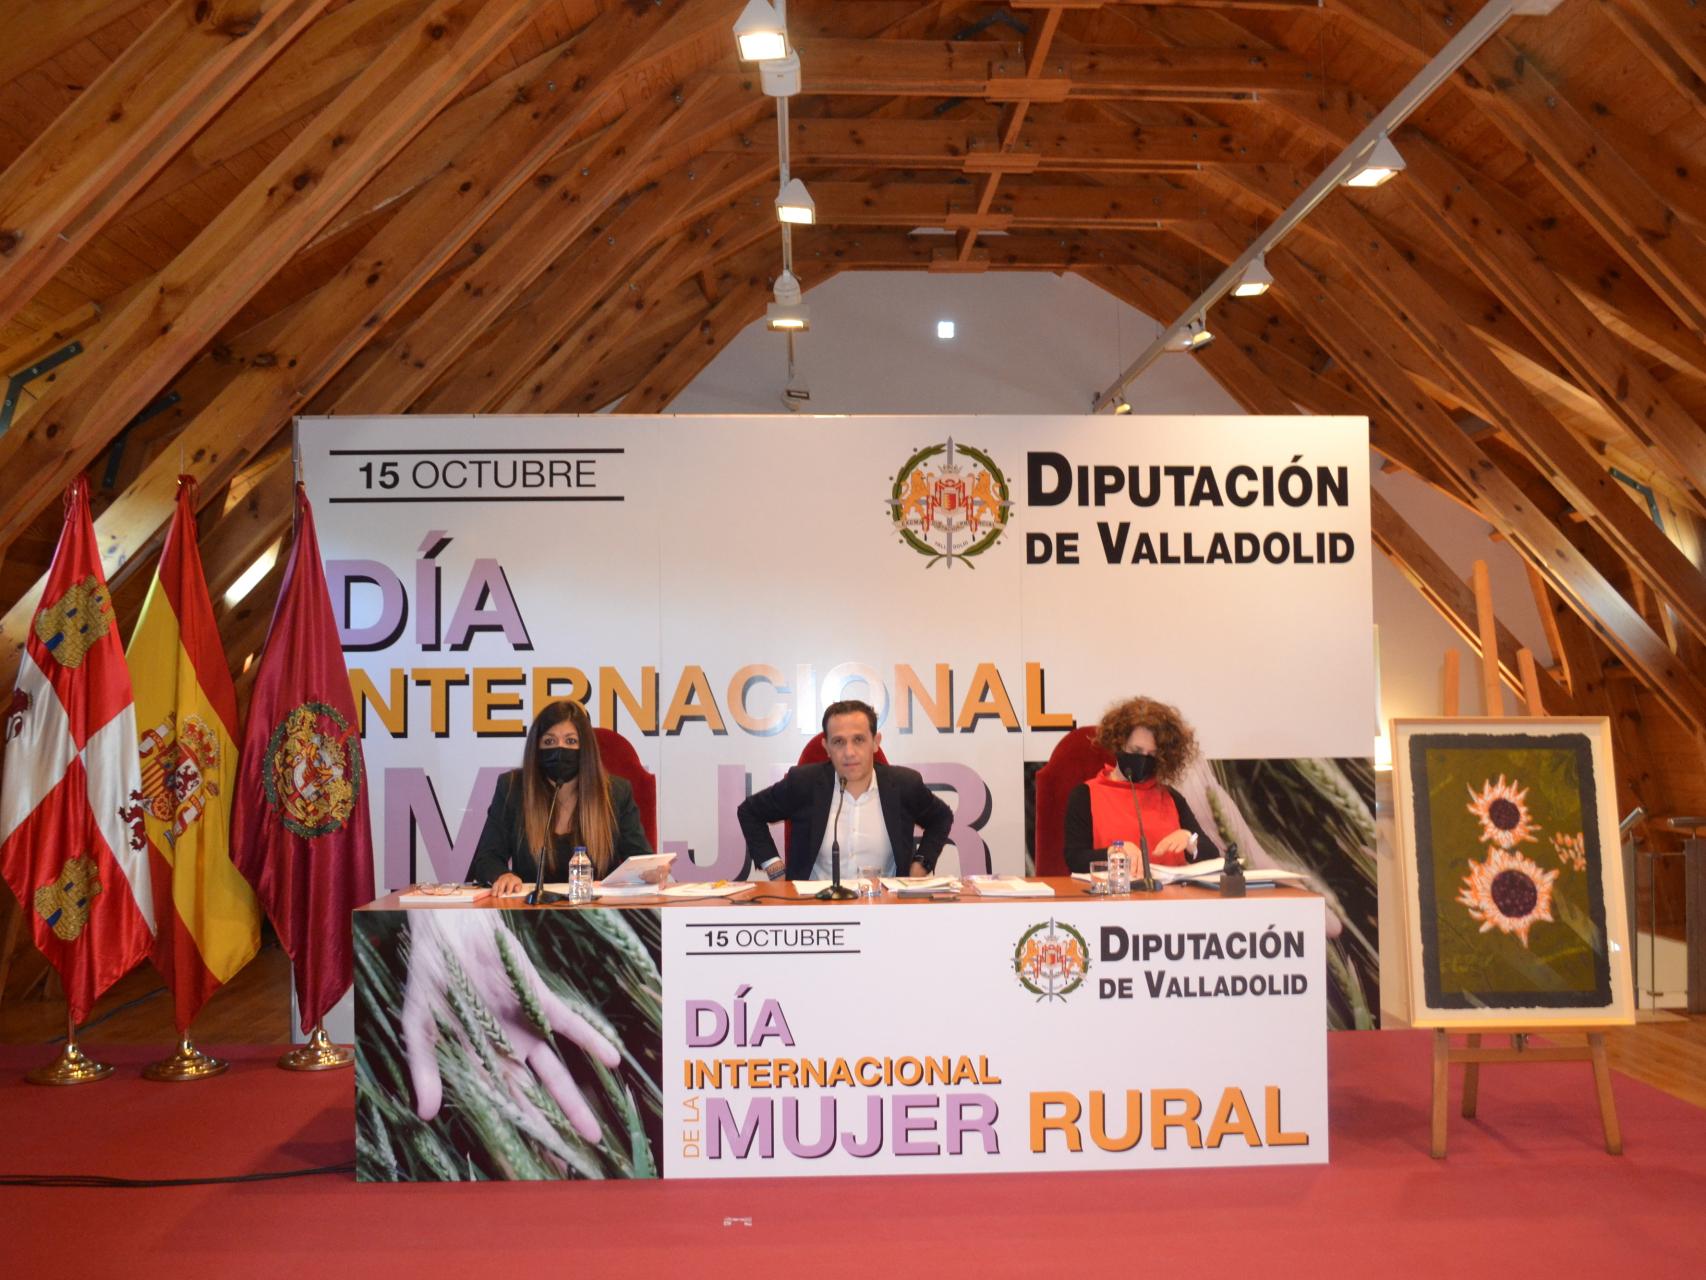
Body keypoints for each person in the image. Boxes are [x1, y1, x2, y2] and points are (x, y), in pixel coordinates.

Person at [738, 699, 954, 881]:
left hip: (884, 911)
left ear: (875, 742)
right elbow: (750, 811)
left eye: (859, 740)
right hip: (815, 912)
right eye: (839, 742)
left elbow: (941, 817)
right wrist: (775, 868)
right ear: (826, 748)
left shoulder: (904, 785)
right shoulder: (804, 783)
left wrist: (921, 864)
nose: (849, 752)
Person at [466, 700, 655, 897]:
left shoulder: (615, 793)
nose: (560, 750)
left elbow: (640, 859)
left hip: (597, 912)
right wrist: (501, 875)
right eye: (549, 741)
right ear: (536, 749)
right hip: (530, 912)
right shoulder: (514, 788)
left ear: (585, 749)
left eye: (571, 741)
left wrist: (652, 870)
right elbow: (487, 858)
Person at [1063, 696, 1221, 874]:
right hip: (1113, 898)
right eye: (1136, 751)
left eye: (1152, 754)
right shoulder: (1085, 795)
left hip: (1172, 899)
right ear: (1119, 744)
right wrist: (1113, 852)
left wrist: (1189, 841)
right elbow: (1075, 859)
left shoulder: (1171, 797)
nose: (1143, 759)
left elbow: (1212, 856)